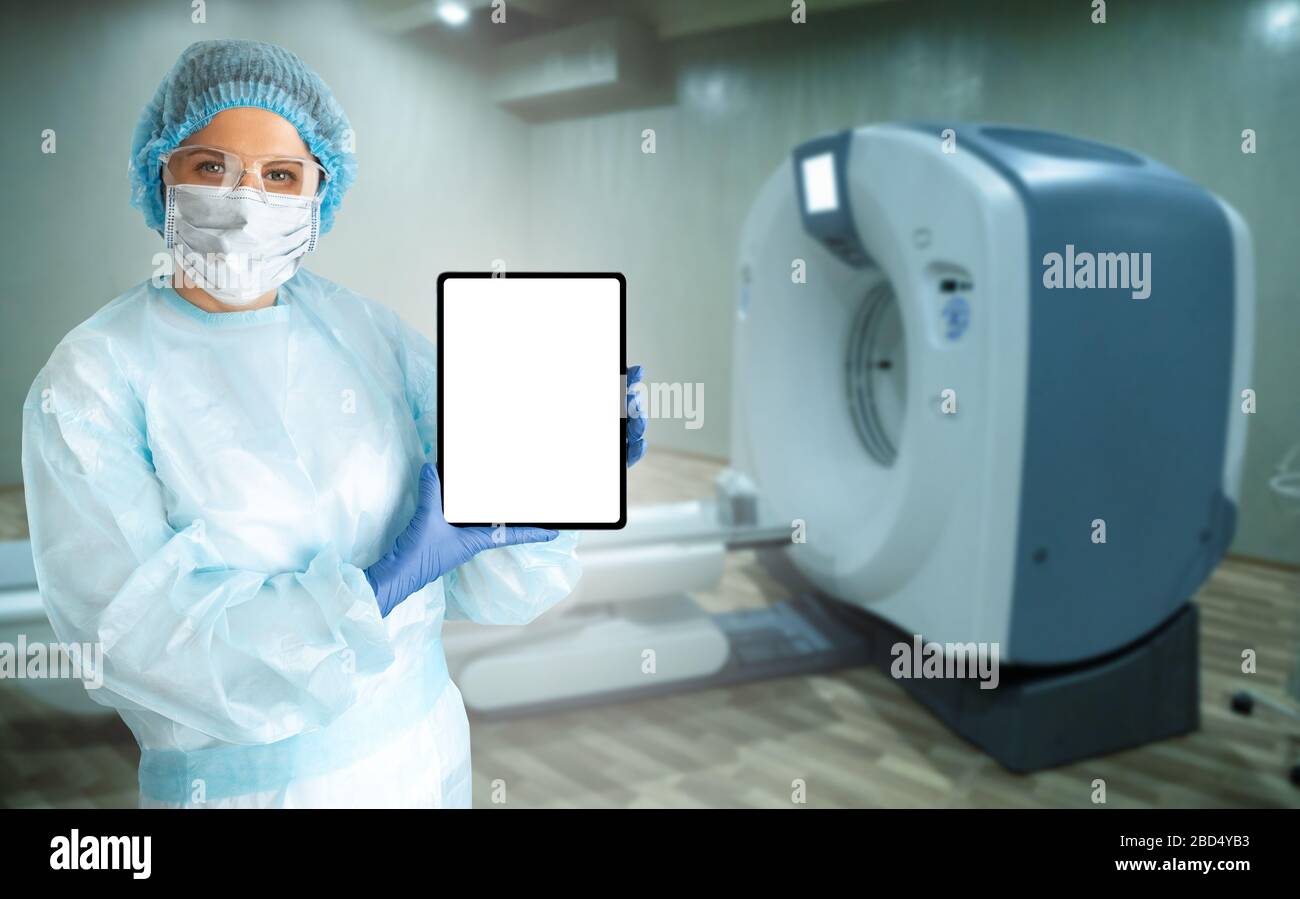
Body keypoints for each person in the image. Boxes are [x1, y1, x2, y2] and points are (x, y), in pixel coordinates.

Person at [21, 39, 647, 809]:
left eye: (280, 176)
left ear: (323, 189)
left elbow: (497, 578)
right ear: (161, 169)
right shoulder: (94, 378)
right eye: (210, 166)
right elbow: (135, 640)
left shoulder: (364, 333)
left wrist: (552, 477)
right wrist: (376, 591)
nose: (245, 200)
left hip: (427, 762)